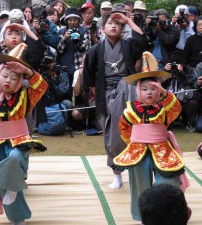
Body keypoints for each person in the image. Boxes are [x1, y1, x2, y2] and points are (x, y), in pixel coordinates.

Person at [0, 43, 48, 224]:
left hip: (19, 140)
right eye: (5, 75)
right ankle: (17, 217)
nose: (8, 80)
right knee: (3, 180)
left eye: (14, 78)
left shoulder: (25, 95)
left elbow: (42, 87)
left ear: (19, 81)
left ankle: (14, 191)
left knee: (14, 159)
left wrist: (26, 71)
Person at [113, 52, 189, 221]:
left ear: (159, 90)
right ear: (138, 90)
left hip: (163, 149)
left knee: (169, 182)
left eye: (153, 89)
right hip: (138, 150)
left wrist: (163, 92)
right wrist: (132, 144)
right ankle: (142, 216)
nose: (149, 93)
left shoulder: (164, 108)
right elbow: (124, 129)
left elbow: (177, 108)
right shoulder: (130, 110)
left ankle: (172, 215)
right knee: (140, 184)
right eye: (144, 89)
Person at [83, 11, 150, 189]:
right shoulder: (95, 50)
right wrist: (101, 95)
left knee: (135, 131)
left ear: (122, 29)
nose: (114, 26)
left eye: (118, 24)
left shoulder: (128, 45)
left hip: (128, 92)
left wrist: (128, 20)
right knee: (110, 135)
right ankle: (117, 173)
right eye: (110, 23)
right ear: (102, 28)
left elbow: (143, 42)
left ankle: (138, 169)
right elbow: (88, 78)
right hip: (105, 94)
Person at [57, 7, 91, 98]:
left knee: (79, 94)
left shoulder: (84, 30)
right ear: (66, 20)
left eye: (75, 20)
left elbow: (87, 49)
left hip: (79, 67)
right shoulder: (61, 31)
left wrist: (78, 40)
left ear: (78, 20)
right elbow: (59, 50)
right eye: (70, 20)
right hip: (65, 68)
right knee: (66, 93)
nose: (72, 22)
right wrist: (64, 38)